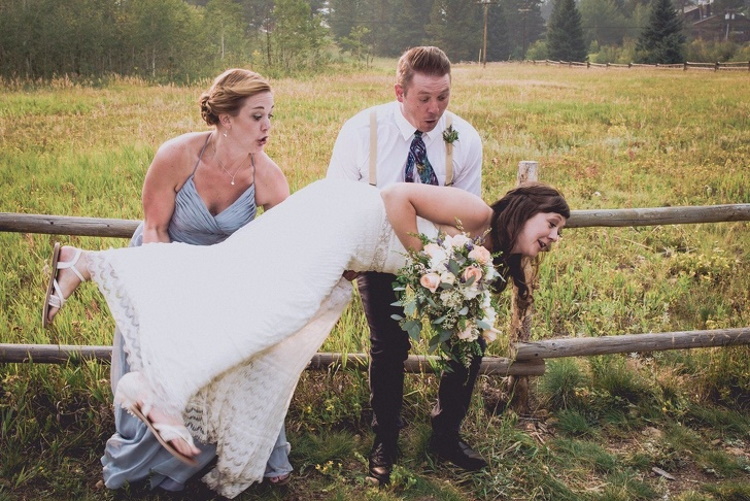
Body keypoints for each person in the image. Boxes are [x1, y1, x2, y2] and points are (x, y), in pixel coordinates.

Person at [41, 179, 569, 498]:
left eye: (560, 232)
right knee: (272, 312)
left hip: (345, 245)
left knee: (241, 294)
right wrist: (425, 257)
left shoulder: (483, 256)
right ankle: (158, 386)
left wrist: (436, 279)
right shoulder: (478, 213)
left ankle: (88, 268)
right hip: (339, 218)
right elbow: (393, 195)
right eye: (552, 223)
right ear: (527, 208)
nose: (553, 237)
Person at [45, 68, 294, 492]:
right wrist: (173, 299)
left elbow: (283, 242)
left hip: (218, 278)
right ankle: (150, 458)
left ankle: (83, 262)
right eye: (257, 116)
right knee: (166, 363)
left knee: (237, 358)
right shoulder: (177, 156)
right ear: (225, 119)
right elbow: (155, 227)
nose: (267, 125)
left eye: (271, 114)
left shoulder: (267, 176)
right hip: (163, 261)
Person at [326, 46, 484, 483]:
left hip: (445, 256)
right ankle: (386, 439)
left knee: (468, 342)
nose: (434, 109)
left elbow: (468, 214)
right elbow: (336, 203)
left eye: (444, 97)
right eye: (424, 98)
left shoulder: (465, 138)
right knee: (389, 347)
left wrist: (449, 263)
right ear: (400, 91)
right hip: (379, 257)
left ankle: (446, 435)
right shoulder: (361, 130)